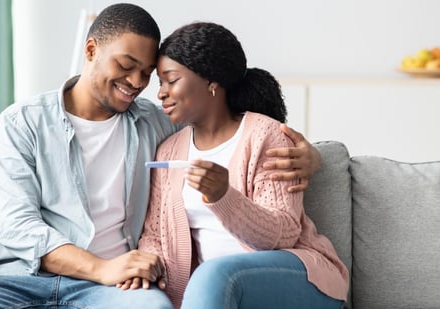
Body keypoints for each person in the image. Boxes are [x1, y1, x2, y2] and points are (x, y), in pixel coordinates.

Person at [0, 4, 320, 309]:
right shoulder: (21, 124)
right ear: (91, 49)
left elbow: (227, 131)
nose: (137, 84)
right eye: (127, 66)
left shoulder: (157, 126)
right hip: (22, 276)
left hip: (114, 289)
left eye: (147, 73)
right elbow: (18, 227)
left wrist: (311, 154)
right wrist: (100, 267)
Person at [127, 22, 349, 309]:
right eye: (160, 82)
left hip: (296, 276)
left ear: (211, 81)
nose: (160, 93)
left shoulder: (265, 136)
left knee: (214, 273)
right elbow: (156, 234)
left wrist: (223, 196)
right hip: (218, 293)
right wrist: (146, 264)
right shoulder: (169, 149)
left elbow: (283, 233)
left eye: (171, 80)